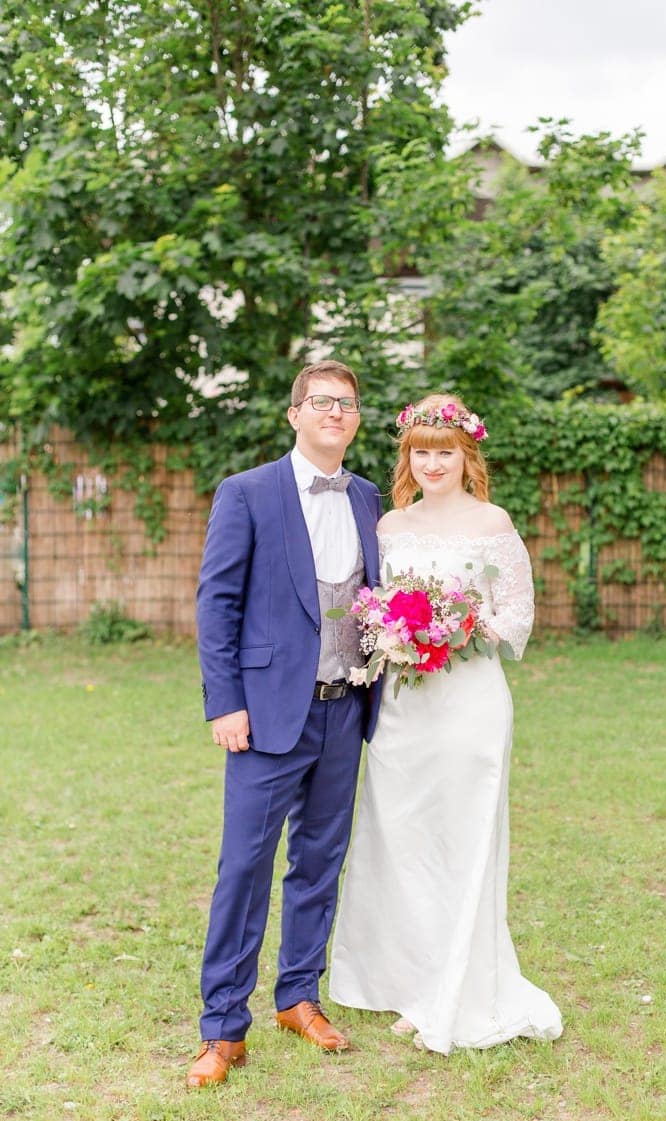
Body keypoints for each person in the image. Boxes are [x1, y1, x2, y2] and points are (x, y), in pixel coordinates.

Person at [327, 393, 563, 1053]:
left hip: (470, 701)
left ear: (467, 456)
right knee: (403, 837)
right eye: (421, 453)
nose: (432, 463)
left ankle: (452, 987)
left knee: (463, 838)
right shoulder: (391, 528)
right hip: (405, 706)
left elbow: (517, 611)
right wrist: (393, 630)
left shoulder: (493, 522)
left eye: (444, 452)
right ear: (409, 457)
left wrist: (460, 622)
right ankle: (409, 978)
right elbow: (368, 607)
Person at [190, 359, 383, 1088]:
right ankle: (221, 1027)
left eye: (348, 403)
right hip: (265, 714)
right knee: (243, 868)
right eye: (322, 401)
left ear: (356, 419)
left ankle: (299, 994)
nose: (336, 411)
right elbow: (218, 603)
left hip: (345, 709)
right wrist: (224, 701)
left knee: (318, 863)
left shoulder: (368, 499)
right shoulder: (246, 493)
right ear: (295, 413)